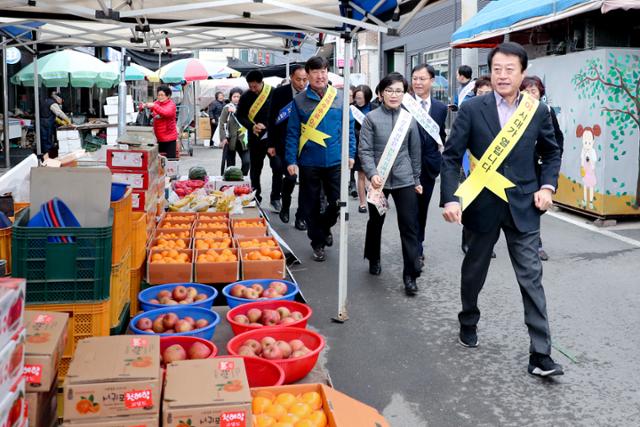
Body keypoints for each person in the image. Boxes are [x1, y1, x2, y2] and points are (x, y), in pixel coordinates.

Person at [440, 42, 564, 377]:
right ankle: (468, 319)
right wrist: (451, 198)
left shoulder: (536, 111)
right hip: (482, 202)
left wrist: (547, 186)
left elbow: (552, 153)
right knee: (474, 270)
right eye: (497, 69)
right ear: (489, 72)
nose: (503, 75)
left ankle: (541, 354)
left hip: (524, 205)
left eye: (510, 69)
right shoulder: (471, 108)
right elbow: (451, 157)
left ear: (523, 73)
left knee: (531, 279)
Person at [285, 56, 356, 262]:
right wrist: (291, 160)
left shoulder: (340, 97)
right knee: (310, 204)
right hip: (309, 162)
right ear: (307, 75)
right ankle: (317, 242)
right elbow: (292, 132)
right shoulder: (299, 101)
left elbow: (349, 128)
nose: (320, 75)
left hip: (335, 161)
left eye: (323, 71)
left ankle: (324, 228)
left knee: (337, 203)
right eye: (315, 72)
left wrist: (351, 154)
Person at [359, 72, 423, 296]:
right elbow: (365, 150)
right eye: (390, 90)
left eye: (399, 91)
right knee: (376, 221)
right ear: (380, 93)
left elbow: (415, 152)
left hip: (404, 179)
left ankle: (410, 275)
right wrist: (372, 173)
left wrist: (416, 179)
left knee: (409, 226)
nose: (394, 95)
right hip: (380, 179)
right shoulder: (371, 118)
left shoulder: (409, 119)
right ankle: (373, 257)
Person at [520, 75, 565, 261]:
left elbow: (557, 139)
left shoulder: (546, 111)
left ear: (540, 94)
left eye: (534, 91)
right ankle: (531, 241)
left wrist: (552, 160)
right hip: (520, 166)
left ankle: (534, 242)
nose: (530, 95)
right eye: (526, 91)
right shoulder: (514, 112)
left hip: (539, 165)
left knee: (536, 203)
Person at [410, 64, 448, 268]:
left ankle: (418, 244)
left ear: (432, 81)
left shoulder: (441, 108)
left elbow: (440, 135)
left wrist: (439, 154)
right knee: (410, 209)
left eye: (422, 78)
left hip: (429, 166)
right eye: (415, 78)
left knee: (422, 208)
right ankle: (413, 247)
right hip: (407, 167)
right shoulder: (405, 104)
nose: (418, 82)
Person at [267, 65, 309, 230]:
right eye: (298, 79)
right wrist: (270, 144)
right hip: (284, 142)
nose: (302, 83)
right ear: (291, 77)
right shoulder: (280, 93)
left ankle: (301, 217)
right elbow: (271, 118)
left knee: (306, 182)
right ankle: (285, 205)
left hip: (306, 143)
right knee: (290, 178)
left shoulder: (311, 93)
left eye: (305, 79)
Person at [460, 76, 494, 256]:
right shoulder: (469, 109)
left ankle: (486, 242)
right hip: (470, 163)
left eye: (488, 92)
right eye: (481, 92)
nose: (484, 95)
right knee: (470, 204)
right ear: (475, 93)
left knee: (488, 205)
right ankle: (467, 239)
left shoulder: (498, 111)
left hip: (492, 166)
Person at [236, 70, 277, 206]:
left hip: (272, 137)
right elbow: (240, 115)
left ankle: (275, 197)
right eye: (250, 86)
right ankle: (255, 195)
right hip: (255, 137)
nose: (253, 89)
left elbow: (280, 114)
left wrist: (266, 125)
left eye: (255, 86)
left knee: (277, 166)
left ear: (262, 82)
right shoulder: (246, 96)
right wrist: (251, 126)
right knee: (255, 169)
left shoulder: (273, 93)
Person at [351, 85, 373, 213]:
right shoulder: (351, 109)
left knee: (372, 174)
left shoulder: (374, 108)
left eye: (360, 98)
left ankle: (372, 199)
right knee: (361, 174)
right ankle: (362, 203)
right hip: (358, 146)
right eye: (356, 97)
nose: (358, 100)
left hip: (373, 146)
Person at [218, 87, 250, 175]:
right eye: (234, 96)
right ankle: (231, 181)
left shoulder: (246, 107)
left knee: (247, 162)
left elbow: (248, 120)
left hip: (244, 140)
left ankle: (242, 177)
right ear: (231, 98)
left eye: (238, 96)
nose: (236, 98)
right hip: (230, 140)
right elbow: (221, 124)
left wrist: (235, 111)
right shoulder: (227, 108)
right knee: (230, 165)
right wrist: (223, 138)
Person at [145, 85, 178, 159]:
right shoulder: (157, 103)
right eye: (159, 95)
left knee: (170, 161)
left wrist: (154, 106)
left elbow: (166, 112)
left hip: (169, 138)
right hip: (158, 138)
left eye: (162, 95)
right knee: (157, 161)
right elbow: (153, 109)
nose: (160, 97)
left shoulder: (171, 105)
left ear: (168, 96)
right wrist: (144, 106)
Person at [39, 91, 71, 156]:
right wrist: (68, 120)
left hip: (43, 122)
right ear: (58, 98)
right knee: (47, 140)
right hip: (46, 124)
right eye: (62, 100)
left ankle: (46, 155)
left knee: (44, 139)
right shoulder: (53, 103)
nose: (62, 102)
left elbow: (50, 114)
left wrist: (60, 121)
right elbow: (59, 113)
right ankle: (47, 157)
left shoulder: (47, 100)